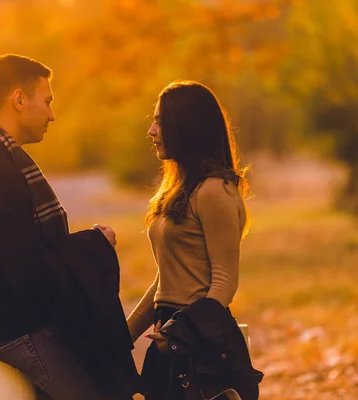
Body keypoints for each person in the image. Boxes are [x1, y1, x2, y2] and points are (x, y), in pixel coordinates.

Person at [0, 54, 141, 400]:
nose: (52, 115)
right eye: (47, 101)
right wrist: (95, 245)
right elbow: (26, 272)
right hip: (18, 332)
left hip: (1, 325)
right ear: (19, 99)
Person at [126, 81, 263, 400]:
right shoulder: (178, 192)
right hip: (170, 334)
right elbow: (166, 279)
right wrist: (124, 336)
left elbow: (225, 282)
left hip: (200, 344)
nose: (151, 130)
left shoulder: (215, 191)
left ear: (187, 125)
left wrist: (183, 332)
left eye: (160, 120)